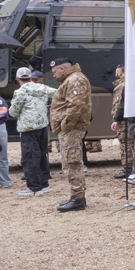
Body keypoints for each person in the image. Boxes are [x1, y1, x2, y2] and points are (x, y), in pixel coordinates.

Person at [49, 57, 92, 212]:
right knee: (70, 161)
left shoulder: (75, 80)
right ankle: (76, 196)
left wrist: (66, 124)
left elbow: (75, 104)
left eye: (55, 72)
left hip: (71, 129)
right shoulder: (71, 80)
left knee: (72, 162)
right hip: (70, 128)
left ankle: (77, 198)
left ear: (62, 68)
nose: (54, 75)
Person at [8, 66, 55, 196]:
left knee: (29, 157)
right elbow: (58, 93)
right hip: (42, 127)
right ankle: (44, 183)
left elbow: (13, 112)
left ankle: (34, 187)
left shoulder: (20, 92)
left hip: (27, 128)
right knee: (42, 155)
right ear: (30, 77)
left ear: (17, 78)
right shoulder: (42, 88)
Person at [110, 66, 130, 180]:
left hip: (123, 122)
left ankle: (128, 168)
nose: (116, 74)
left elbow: (120, 106)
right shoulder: (120, 86)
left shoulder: (122, 87)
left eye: (118, 72)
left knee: (126, 145)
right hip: (122, 121)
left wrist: (117, 119)